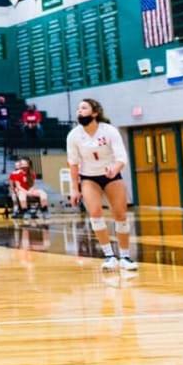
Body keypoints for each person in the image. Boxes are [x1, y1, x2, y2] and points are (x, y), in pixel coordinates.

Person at [67, 99, 137, 271]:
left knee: (120, 214)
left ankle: (125, 257)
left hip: (112, 175)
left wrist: (115, 168)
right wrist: (74, 189)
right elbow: (73, 164)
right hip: (89, 177)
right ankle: (109, 256)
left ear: (95, 113)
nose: (79, 111)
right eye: (78, 109)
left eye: (83, 108)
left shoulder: (109, 131)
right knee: (96, 213)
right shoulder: (74, 135)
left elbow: (121, 157)